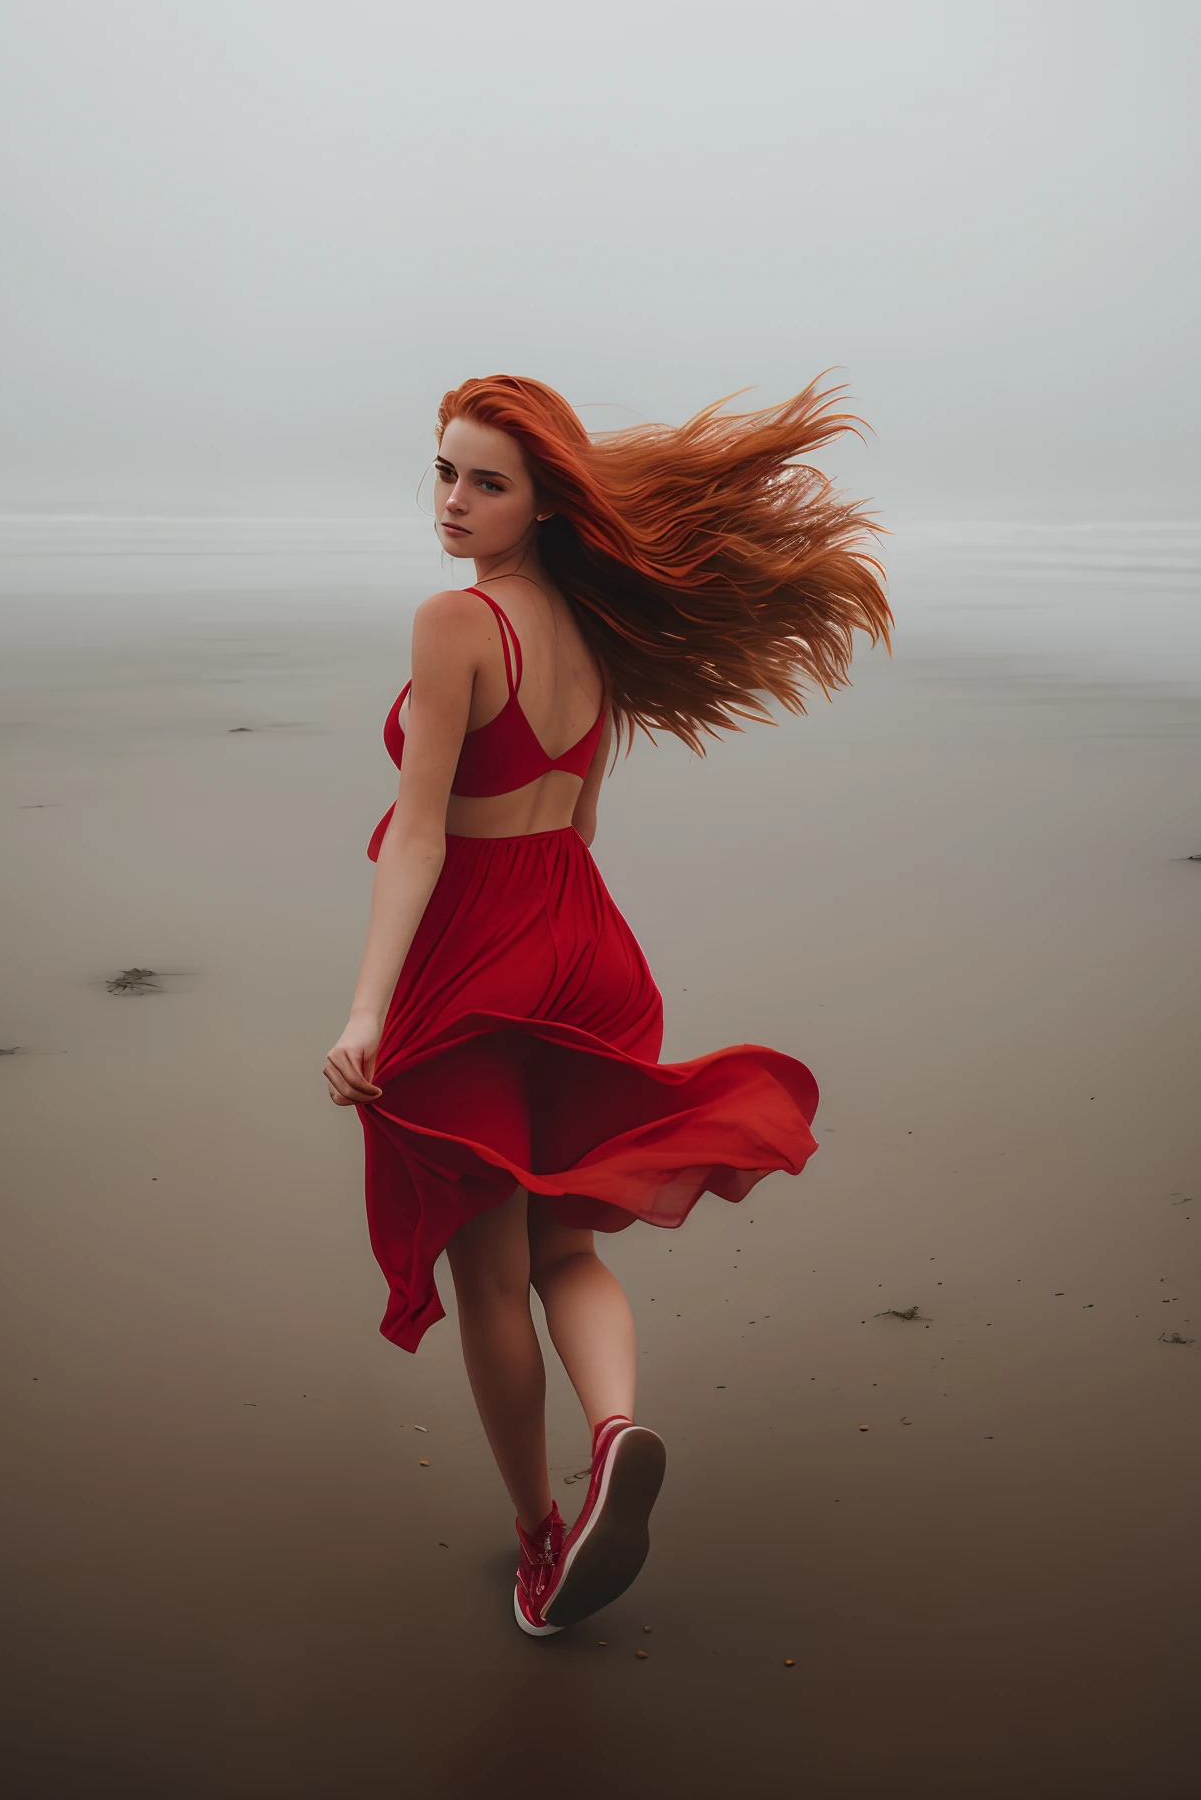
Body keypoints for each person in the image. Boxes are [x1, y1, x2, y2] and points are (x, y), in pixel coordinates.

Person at [323, 373, 891, 1636]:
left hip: (479, 955)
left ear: (540, 501)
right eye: (444, 470)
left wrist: (368, 1010)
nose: (453, 502)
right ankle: (619, 1423)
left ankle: (539, 1536)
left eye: (485, 480)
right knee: (563, 1242)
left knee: (488, 1271)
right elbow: (579, 817)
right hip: (584, 941)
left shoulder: (456, 623)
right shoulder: (594, 632)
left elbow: (420, 836)